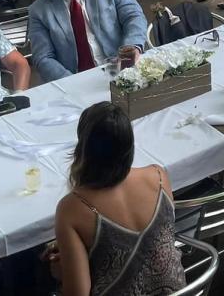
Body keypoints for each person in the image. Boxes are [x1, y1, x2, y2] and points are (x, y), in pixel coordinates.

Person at [54, 102, 185, 296]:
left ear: (84, 150)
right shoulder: (158, 176)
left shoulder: (72, 209)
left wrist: (62, 270)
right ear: (129, 146)